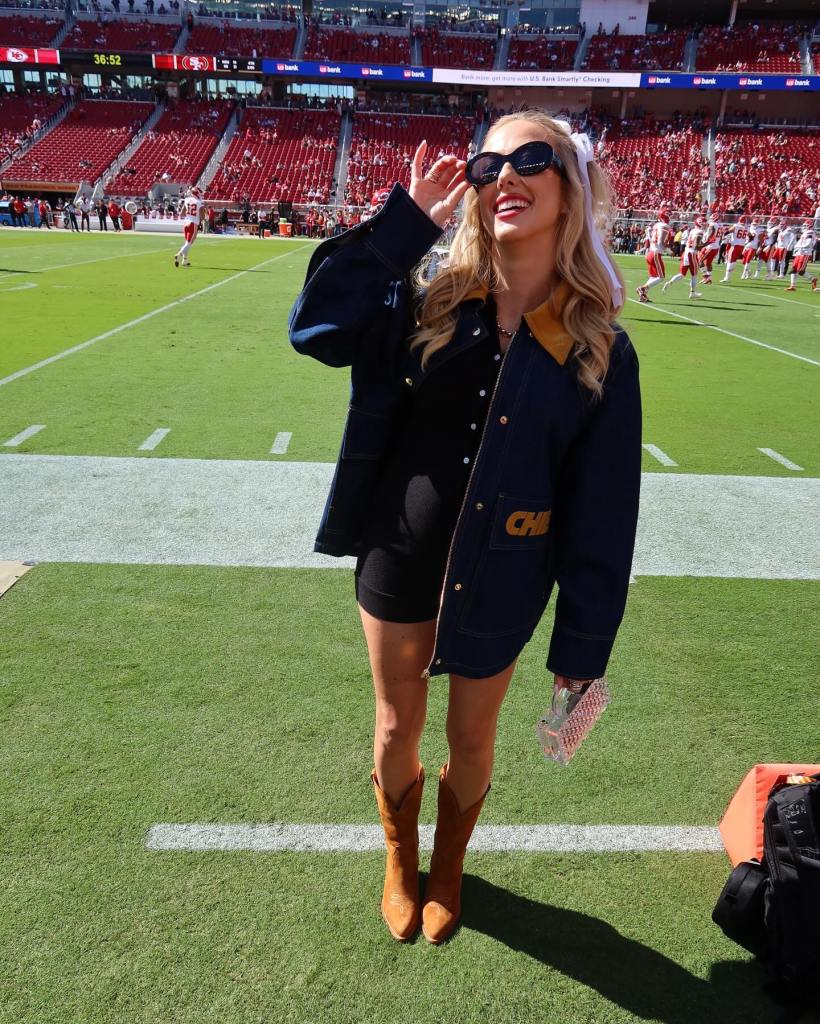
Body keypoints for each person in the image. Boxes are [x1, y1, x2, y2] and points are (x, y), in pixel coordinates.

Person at [288, 110, 641, 945]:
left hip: (507, 571)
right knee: (392, 725)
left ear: (573, 187)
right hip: (400, 555)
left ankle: (449, 865)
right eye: (490, 163)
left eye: (533, 159)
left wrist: (582, 653)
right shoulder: (426, 297)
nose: (507, 175)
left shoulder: (597, 345)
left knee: (472, 735)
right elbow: (315, 329)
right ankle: (400, 857)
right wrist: (405, 222)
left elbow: (604, 514)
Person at [636, 208, 670, 302]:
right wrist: (668, 250)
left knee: (653, 277)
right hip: (656, 253)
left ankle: (643, 295)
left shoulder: (657, 225)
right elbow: (660, 241)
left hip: (651, 252)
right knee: (661, 277)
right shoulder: (664, 226)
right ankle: (642, 288)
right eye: (669, 214)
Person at [174, 186, 204, 267]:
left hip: (186, 223)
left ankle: (185, 260)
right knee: (189, 243)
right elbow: (202, 216)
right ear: (197, 193)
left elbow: (181, 213)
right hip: (193, 224)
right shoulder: (199, 202)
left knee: (187, 243)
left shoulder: (187, 200)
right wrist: (201, 220)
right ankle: (178, 255)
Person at [786, 220, 817, 292]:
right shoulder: (805, 233)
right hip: (799, 252)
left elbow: (809, 243)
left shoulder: (810, 232)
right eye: (804, 225)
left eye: (805, 225)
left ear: (810, 226)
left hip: (805, 253)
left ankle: (813, 279)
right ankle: (792, 286)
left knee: (801, 271)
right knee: (793, 269)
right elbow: (800, 242)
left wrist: (801, 247)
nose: (804, 227)